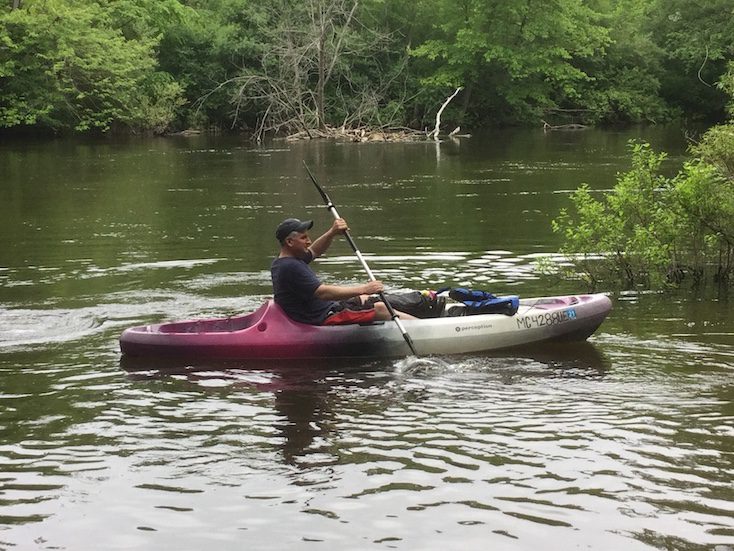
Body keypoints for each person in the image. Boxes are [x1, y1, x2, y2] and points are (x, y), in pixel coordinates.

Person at [271, 217, 415, 325]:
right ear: (290, 242)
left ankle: (422, 304)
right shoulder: (290, 266)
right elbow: (323, 293)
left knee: (366, 299)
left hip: (328, 309)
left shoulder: (285, 261)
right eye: (304, 238)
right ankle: (426, 329)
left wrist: (332, 232)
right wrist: (363, 288)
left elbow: (314, 251)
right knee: (381, 308)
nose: (309, 241)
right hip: (323, 317)